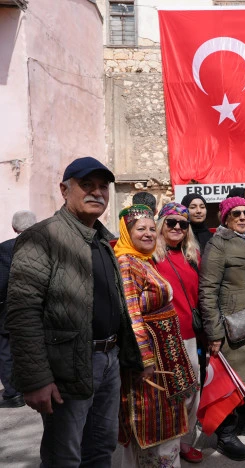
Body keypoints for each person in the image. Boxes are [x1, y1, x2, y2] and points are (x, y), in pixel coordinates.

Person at [6, 157, 143, 466]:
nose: (97, 192)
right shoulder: (42, 237)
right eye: (87, 185)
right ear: (64, 190)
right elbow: (23, 312)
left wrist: (128, 357)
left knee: (101, 448)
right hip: (67, 367)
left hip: (108, 361)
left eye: (103, 187)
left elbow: (116, 305)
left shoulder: (103, 239)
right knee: (64, 456)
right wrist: (36, 380)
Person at [115, 205, 198, 467]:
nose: (149, 233)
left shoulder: (142, 260)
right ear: (127, 233)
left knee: (167, 418)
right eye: (141, 229)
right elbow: (131, 315)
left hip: (164, 353)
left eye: (152, 228)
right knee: (151, 420)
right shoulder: (126, 263)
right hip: (150, 359)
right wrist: (145, 359)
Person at [199, 197, 245, 461]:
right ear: (225, 217)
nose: (242, 217)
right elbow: (207, 291)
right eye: (236, 213)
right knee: (229, 381)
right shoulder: (218, 244)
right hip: (230, 325)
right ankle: (226, 434)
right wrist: (214, 332)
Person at [151, 203, 203, 463]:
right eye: (171, 222)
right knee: (170, 396)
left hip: (191, 334)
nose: (177, 228)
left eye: (183, 224)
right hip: (163, 336)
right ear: (161, 224)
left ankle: (183, 440)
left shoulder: (192, 255)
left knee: (193, 391)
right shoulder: (150, 256)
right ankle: (167, 454)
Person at [0, 210, 36, 409]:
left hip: (11, 310)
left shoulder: (5, 249)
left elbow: (2, 282)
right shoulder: (49, 246)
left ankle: (14, 394)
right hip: (42, 309)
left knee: (6, 350)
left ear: (14, 228)